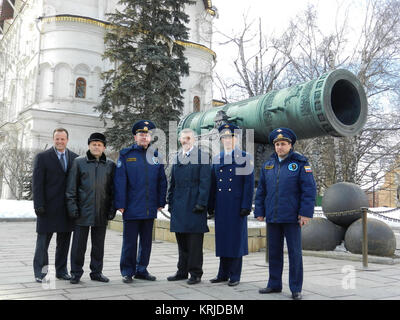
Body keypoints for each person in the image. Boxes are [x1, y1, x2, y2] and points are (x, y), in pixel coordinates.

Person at [254, 127, 316, 300]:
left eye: (283, 144)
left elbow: (309, 190)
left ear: (290, 145)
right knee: (273, 252)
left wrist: (305, 213)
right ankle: (274, 284)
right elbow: (261, 191)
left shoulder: (301, 163)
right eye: (277, 144)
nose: (280, 147)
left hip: (292, 217)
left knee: (294, 253)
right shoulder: (268, 165)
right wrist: (259, 211)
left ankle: (296, 288)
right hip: (273, 216)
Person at [114, 120, 167, 284]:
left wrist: (160, 201)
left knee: (146, 242)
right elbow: (120, 180)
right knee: (129, 242)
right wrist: (120, 204)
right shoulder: (126, 154)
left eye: (147, 134)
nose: (144, 137)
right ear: (135, 137)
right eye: (141, 134)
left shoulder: (156, 156)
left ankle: (142, 269)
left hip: (149, 206)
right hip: (131, 206)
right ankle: (127, 271)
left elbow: (161, 181)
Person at [65, 133, 116, 284]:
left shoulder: (110, 165)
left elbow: (113, 190)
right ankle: (75, 272)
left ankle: (96, 272)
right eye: (93, 144)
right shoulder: (79, 162)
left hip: (101, 211)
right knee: (78, 246)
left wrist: (111, 209)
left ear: (104, 147)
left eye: (99, 144)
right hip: (82, 212)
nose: (96, 146)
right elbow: (71, 188)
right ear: (89, 145)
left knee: (98, 245)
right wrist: (72, 208)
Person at [208, 124, 254, 287]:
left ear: (236, 139)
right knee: (223, 238)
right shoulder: (217, 158)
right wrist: (210, 205)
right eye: (224, 137)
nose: (227, 140)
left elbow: (248, 184)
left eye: (230, 137)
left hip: (236, 205)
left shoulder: (245, 157)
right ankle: (222, 273)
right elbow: (213, 184)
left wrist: (246, 205)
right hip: (221, 204)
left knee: (235, 240)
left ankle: (235, 275)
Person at [32, 128, 79, 283]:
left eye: (62, 139)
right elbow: (37, 184)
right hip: (47, 208)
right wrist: (38, 204)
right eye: (57, 139)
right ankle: (41, 273)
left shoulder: (75, 158)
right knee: (42, 244)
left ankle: (61, 271)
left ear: (67, 140)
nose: (60, 141)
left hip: (66, 209)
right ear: (53, 139)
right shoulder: (43, 157)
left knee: (64, 243)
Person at [167, 128, 211, 285]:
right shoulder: (178, 157)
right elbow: (172, 183)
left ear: (194, 140)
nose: (185, 141)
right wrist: (170, 201)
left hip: (194, 205)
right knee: (182, 242)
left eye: (188, 138)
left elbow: (206, 183)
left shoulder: (203, 156)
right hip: (179, 206)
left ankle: (195, 273)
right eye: (183, 138)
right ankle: (182, 271)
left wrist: (201, 203)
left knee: (194, 243)